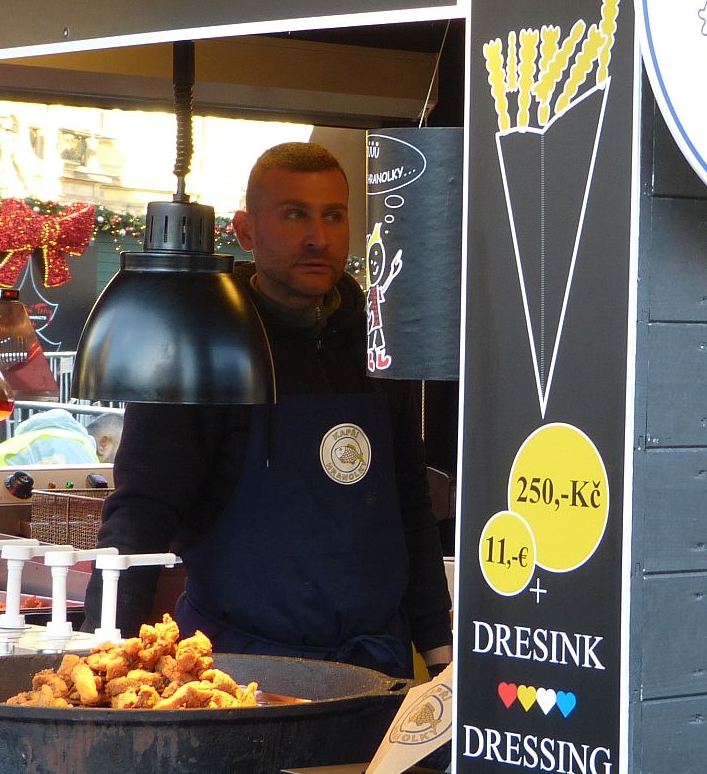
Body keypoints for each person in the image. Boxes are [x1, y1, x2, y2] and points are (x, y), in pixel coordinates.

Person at [90, 142, 451, 678]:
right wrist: (101, 654)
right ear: (245, 231)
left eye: (333, 216)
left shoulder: (376, 342)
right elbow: (142, 512)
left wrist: (441, 653)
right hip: (234, 671)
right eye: (294, 214)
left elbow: (409, 507)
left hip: (375, 670)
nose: (318, 237)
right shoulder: (202, 344)